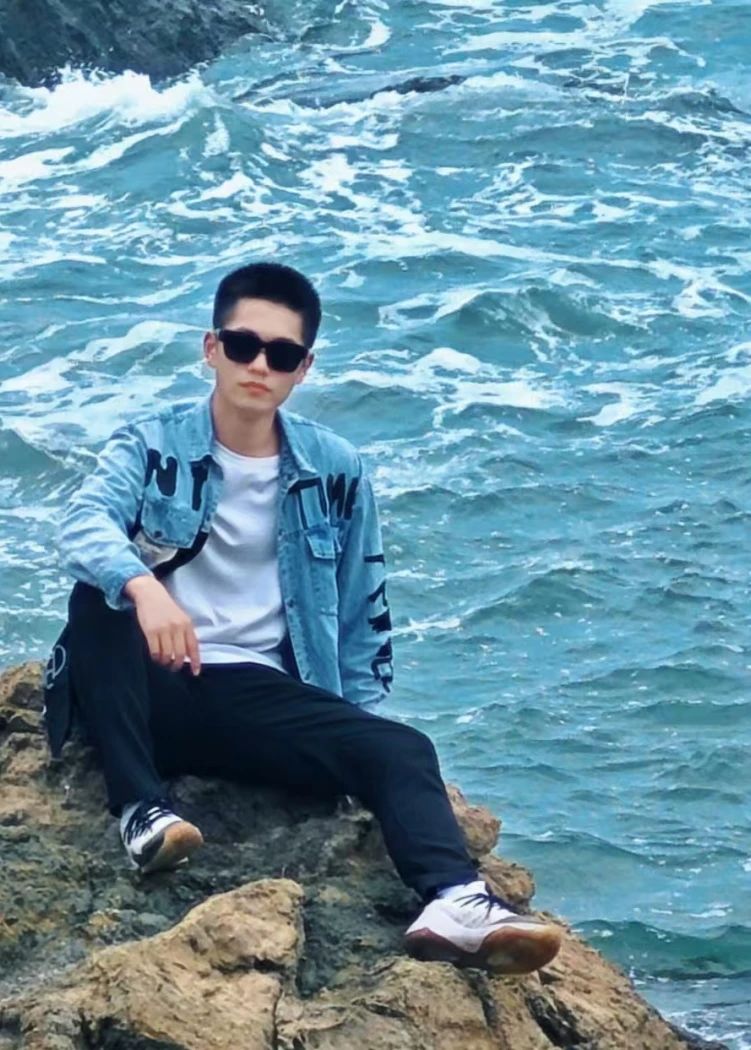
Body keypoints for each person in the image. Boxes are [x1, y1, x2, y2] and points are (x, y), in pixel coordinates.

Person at [42, 262, 561, 974]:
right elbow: (82, 524)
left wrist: (351, 732)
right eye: (242, 345)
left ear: (303, 368)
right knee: (98, 600)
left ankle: (454, 903)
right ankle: (142, 812)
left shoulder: (334, 467)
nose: (259, 365)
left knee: (401, 748)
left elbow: (361, 609)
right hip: (146, 682)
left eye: (281, 354)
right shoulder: (151, 443)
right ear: (211, 348)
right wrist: (145, 588)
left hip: (252, 696)